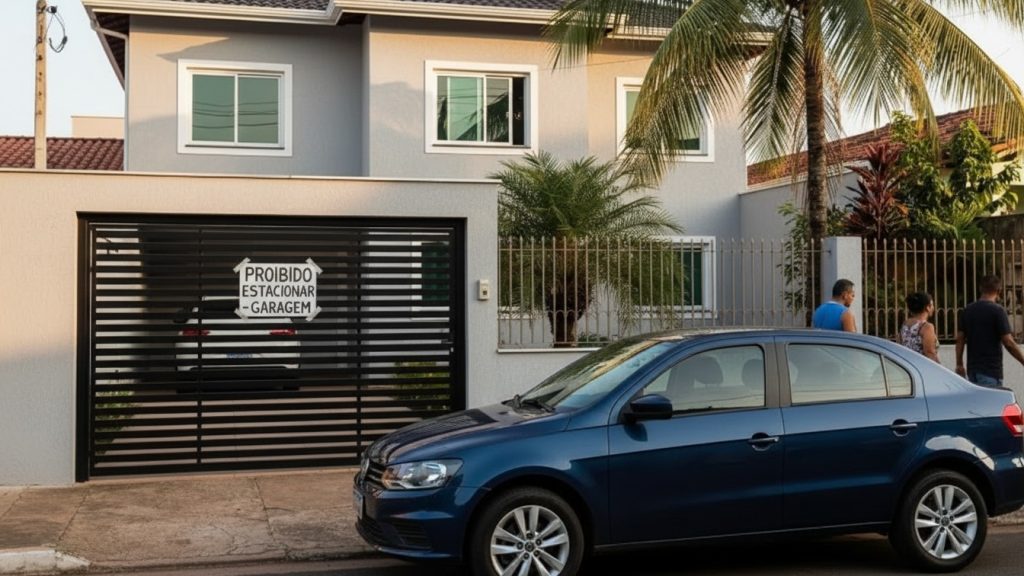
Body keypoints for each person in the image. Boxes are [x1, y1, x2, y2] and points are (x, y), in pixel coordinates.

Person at [955, 275, 1024, 387]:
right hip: (991, 372)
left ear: (980, 289)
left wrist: (959, 364)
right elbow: (1008, 342)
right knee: (992, 398)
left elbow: (960, 339)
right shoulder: (998, 311)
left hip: (972, 371)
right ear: (999, 291)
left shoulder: (968, 310)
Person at [900, 292, 940, 363]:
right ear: (927, 307)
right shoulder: (927, 327)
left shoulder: (905, 324)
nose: (933, 308)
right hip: (922, 366)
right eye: (932, 305)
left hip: (908, 365)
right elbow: (930, 352)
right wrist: (940, 368)